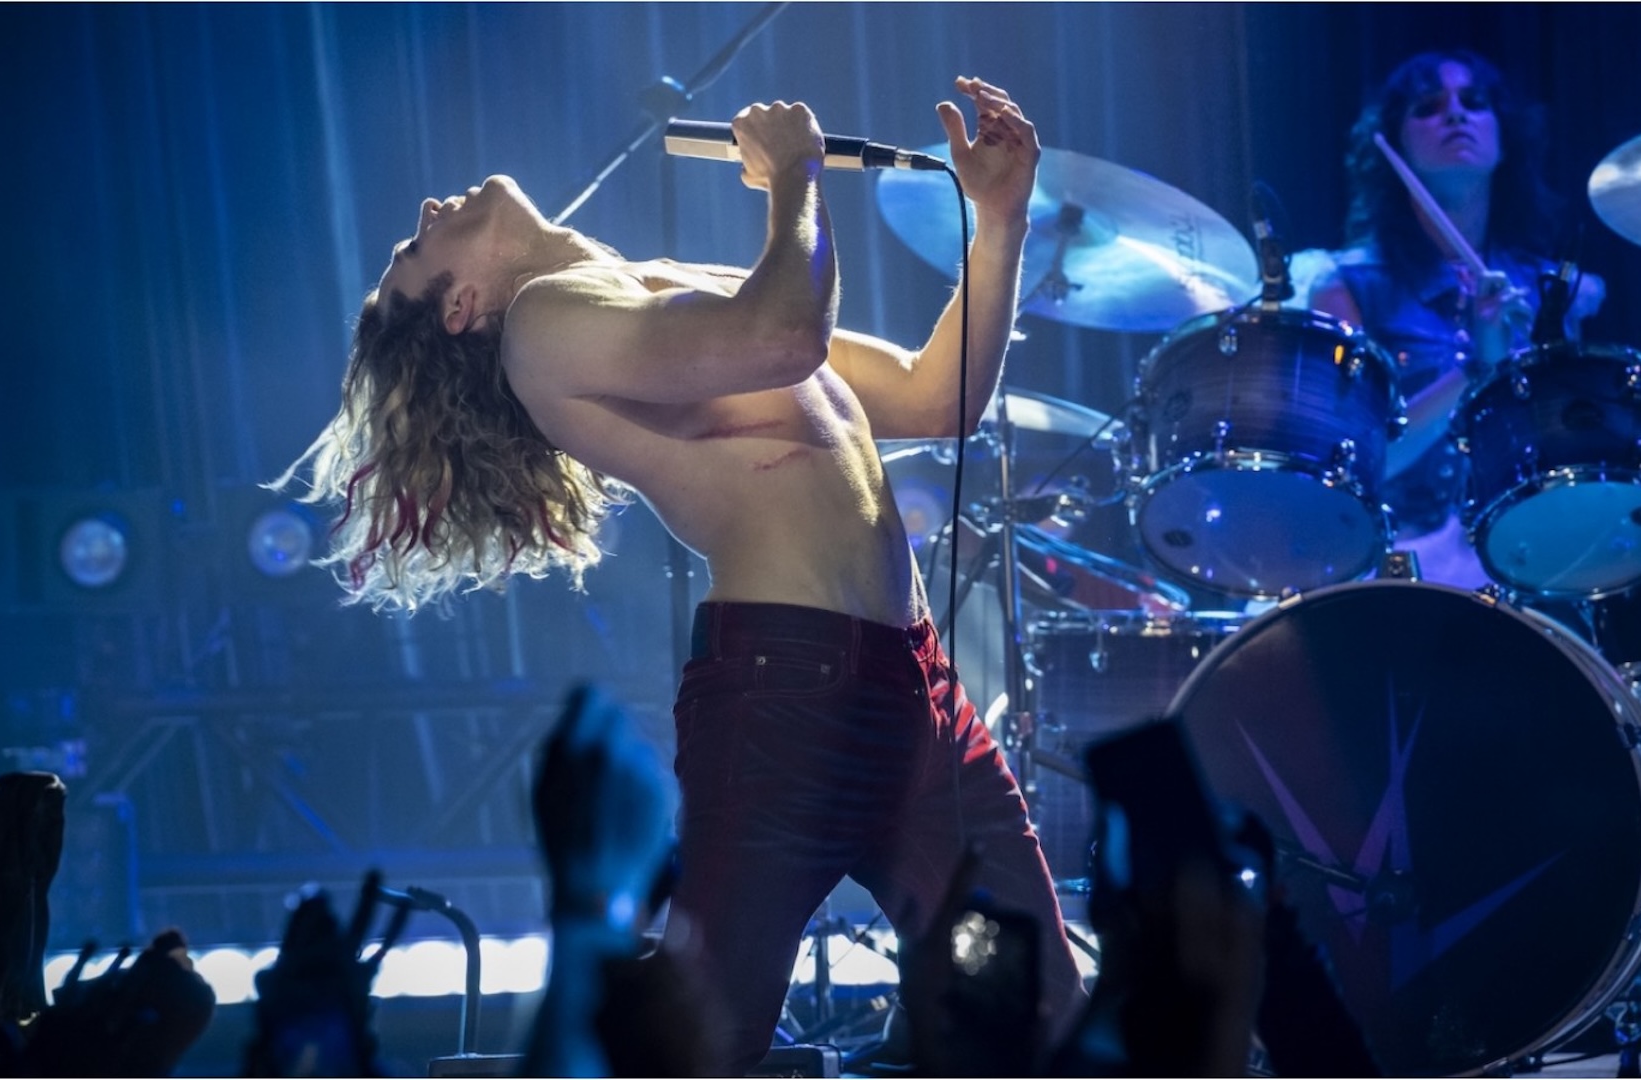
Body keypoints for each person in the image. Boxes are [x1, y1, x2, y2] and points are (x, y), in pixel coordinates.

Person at [278, 76, 1087, 1072]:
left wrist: (999, 223)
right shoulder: (543, 325)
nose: (427, 209)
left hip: (914, 689)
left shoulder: (647, 281)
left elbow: (936, 399)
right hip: (785, 696)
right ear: (460, 307)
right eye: (417, 248)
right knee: (705, 1044)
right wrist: (793, 177)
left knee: (1048, 1014)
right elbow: (786, 333)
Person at [1307, 49, 1604, 590]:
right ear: (1394, 143)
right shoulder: (1345, 284)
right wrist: (1475, 368)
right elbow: (1359, 466)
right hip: (1392, 571)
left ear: (1505, 139)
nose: (1456, 114)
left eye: (1475, 101)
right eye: (1428, 106)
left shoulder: (1551, 291)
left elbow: (1563, 464)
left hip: (1523, 567)